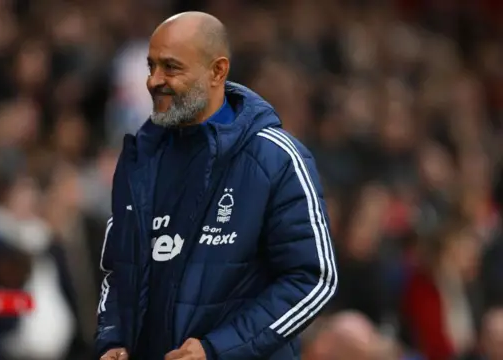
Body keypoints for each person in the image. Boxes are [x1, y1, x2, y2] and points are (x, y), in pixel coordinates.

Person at [95, 12, 337, 360]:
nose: (153, 81)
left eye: (171, 67)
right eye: (151, 67)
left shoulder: (276, 158)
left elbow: (314, 279)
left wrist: (218, 349)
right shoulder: (140, 159)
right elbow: (118, 269)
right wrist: (114, 338)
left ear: (217, 71)